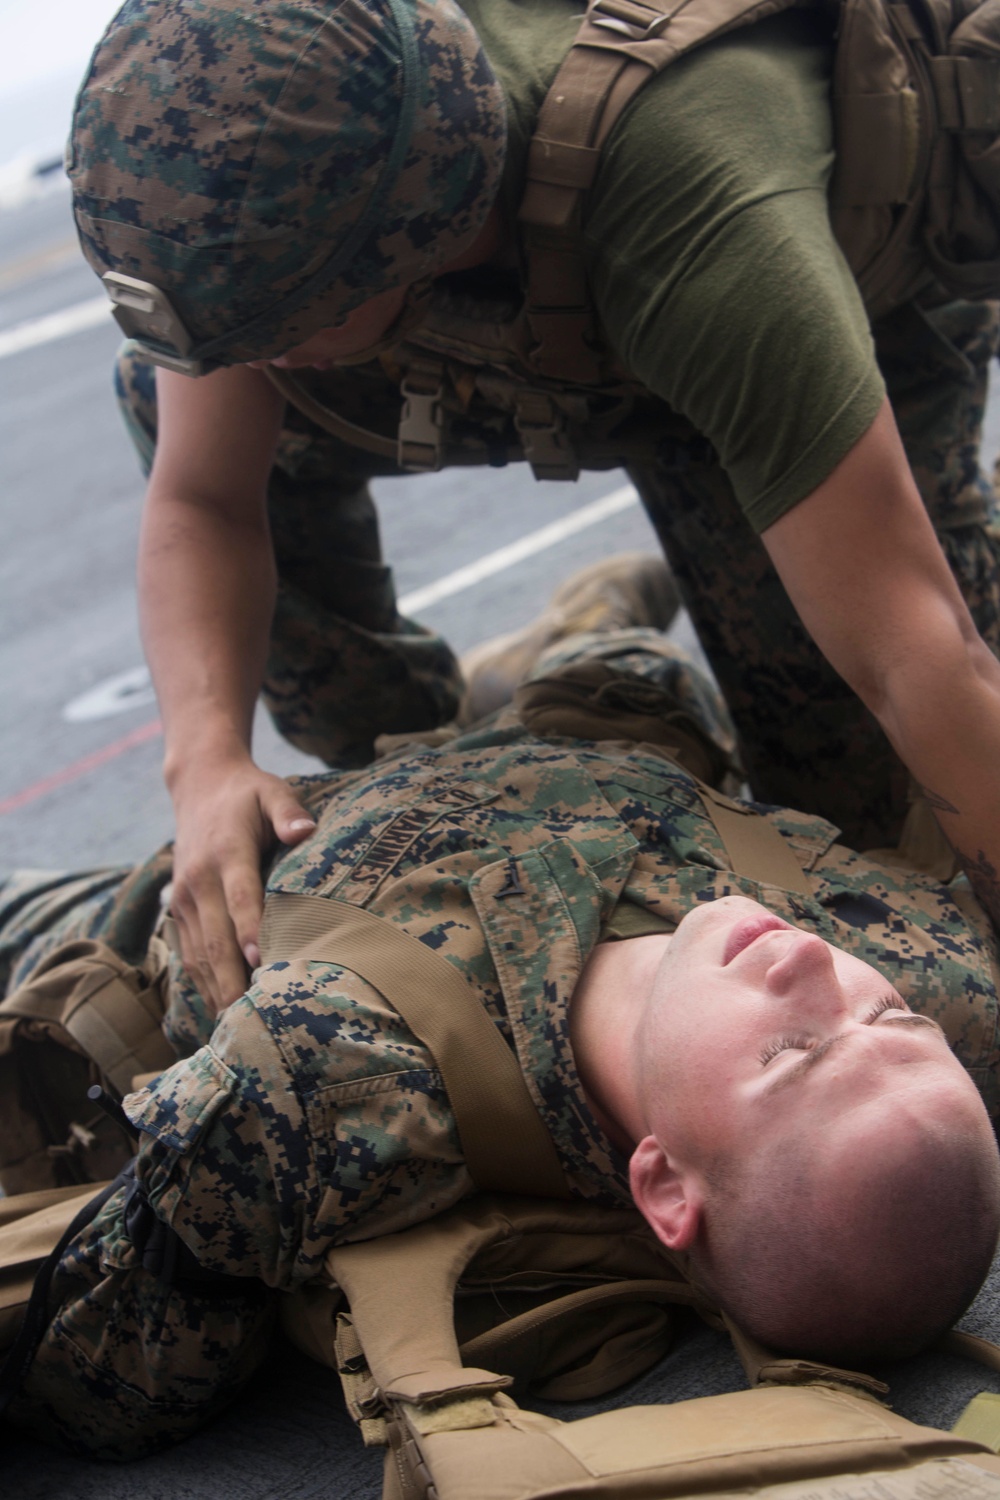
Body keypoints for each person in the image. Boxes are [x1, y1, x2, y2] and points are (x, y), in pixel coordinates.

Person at [66, 0, 1000, 1013]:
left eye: (284, 326)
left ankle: (589, 681)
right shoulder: (280, 204)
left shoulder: (700, 212)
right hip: (504, 304)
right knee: (198, 408)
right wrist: (204, 765)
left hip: (808, 299)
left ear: (411, 233)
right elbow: (204, 498)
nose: (250, 359)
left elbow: (920, 658)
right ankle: (483, 737)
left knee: (866, 815)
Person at [1, 601, 998, 1458]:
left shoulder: (325, 1078)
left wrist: (214, 1197)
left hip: (225, 873)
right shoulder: (940, 972)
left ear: (658, 1180)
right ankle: (572, 628)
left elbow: (94, 1380)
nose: (809, 964)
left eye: (787, 1055)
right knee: (637, 669)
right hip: (576, 743)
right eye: (885, 1015)